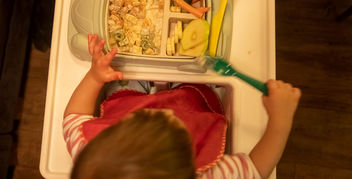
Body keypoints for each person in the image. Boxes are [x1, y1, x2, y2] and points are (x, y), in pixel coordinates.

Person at [63, 34, 301, 179]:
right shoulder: (208, 175)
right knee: (192, 92)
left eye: (140, 118)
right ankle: (184, 87)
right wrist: (280, 121)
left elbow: (73, 116)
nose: (162, 108)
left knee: (121, 82)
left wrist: (95, 77)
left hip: (129, 99)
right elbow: (255, 169)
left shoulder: (90, 154)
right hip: (192, 107)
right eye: (174, 125)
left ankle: (138, 90)